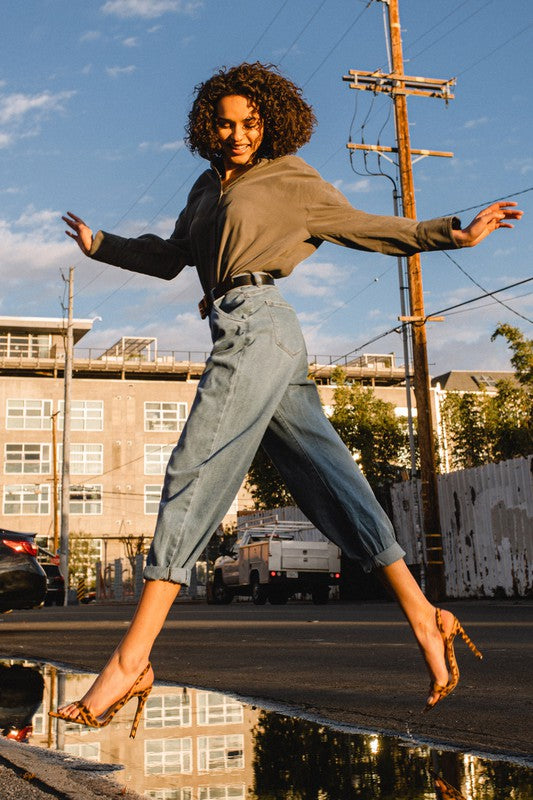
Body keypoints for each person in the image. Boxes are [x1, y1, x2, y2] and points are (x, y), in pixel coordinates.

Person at [50, 62, 522, 736]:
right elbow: (172, 256)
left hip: (259, 324)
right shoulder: (206, 187)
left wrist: (452, 232)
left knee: (195, 467)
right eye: (225, 122)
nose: (238, 133)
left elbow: (366, 227)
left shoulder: (290, 177)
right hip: (242, 328)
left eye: (250, 122)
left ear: (269, 121)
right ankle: (425, 614)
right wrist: (102, 246)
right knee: (333, 482)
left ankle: (131, 659)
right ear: (206, 126)